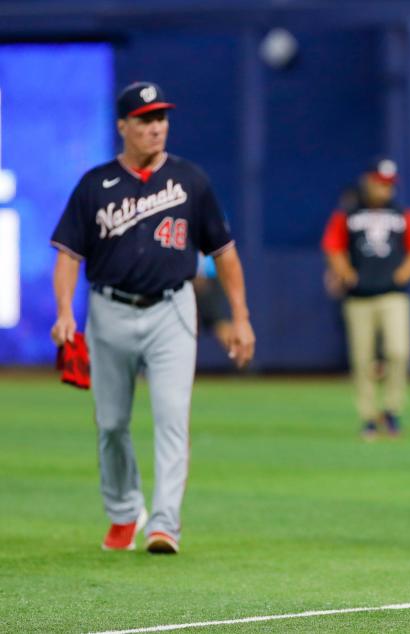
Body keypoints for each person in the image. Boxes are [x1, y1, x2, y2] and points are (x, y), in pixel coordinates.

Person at [49, 81, 255, 555]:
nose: (156, 127)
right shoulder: (94, 185)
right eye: (145, 119)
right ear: (123, 126)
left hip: (171, 309)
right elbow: (68, 254)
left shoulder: (191, 181)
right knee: (112, 423)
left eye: (161, 118)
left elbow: (224, 253)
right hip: (110, 311)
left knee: (171, 420)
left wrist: (240, 317)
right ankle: (124, 513)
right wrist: (64, 310)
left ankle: (164, 524)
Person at [321, 158, 410, 439]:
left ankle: (392, 409)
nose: (385, 189)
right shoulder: (348, 213)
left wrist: (403, 274)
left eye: (389, 185)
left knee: (398, 352)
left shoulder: (402, 213)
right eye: (380, 183)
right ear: (367, 181)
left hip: (393, 294)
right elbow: (332, 246)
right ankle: (368, 416)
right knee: (362, 357)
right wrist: (344, 272)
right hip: (358, 297)